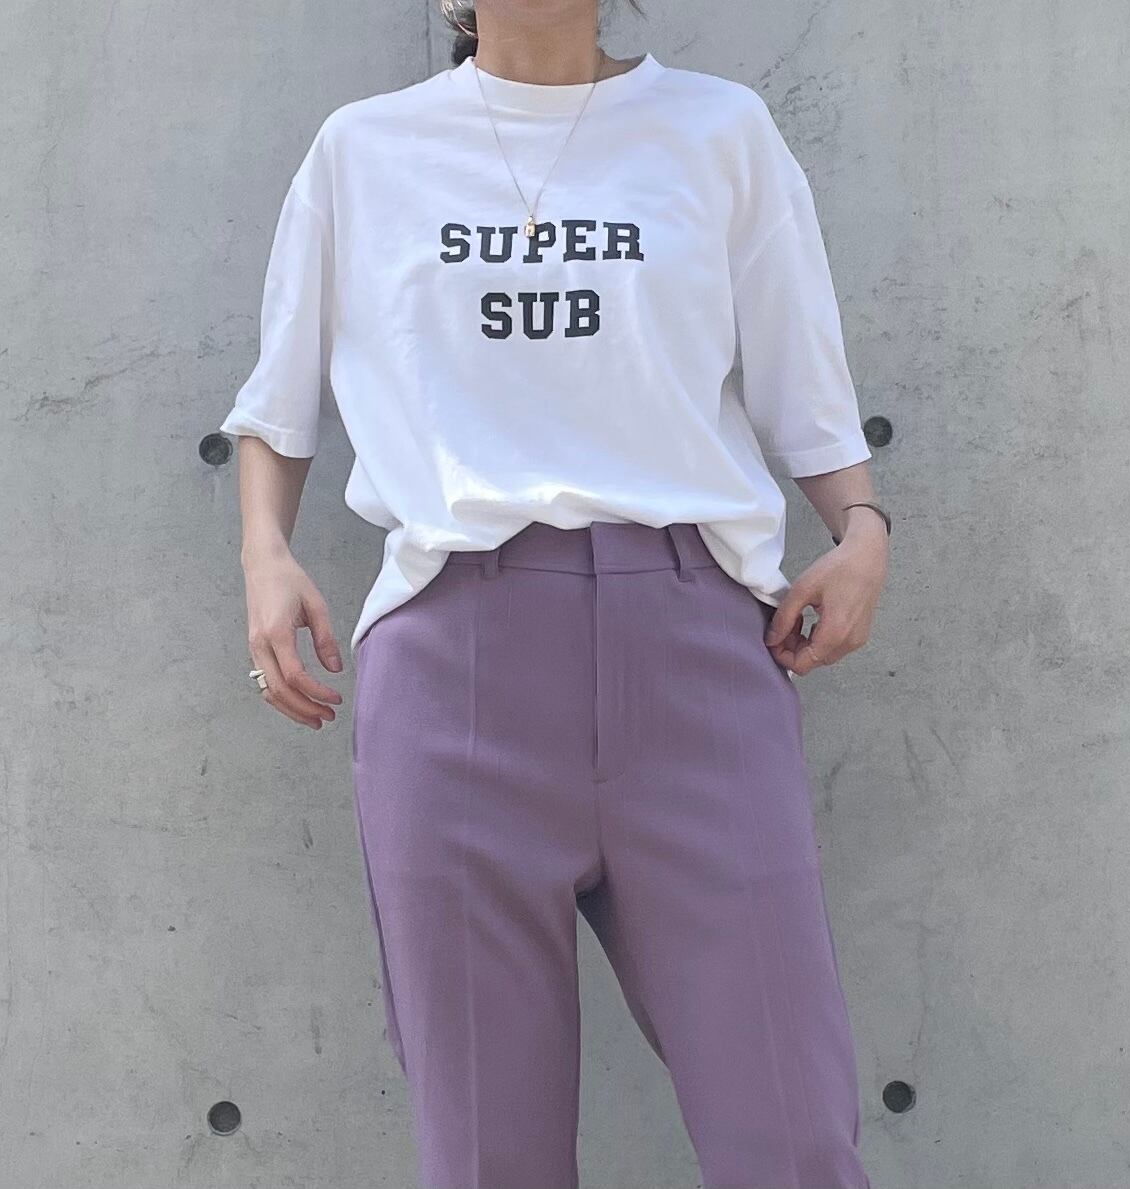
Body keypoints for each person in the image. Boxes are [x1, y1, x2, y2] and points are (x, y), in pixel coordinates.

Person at [219, 2, 888, 1186]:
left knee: (790, 1132)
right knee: (491, 1152)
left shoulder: (717, 131)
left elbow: (806, 384)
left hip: (696, 655)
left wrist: (861, 530)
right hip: (457, 665)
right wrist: (265, 556)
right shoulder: (364, 150)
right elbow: (281, 400)